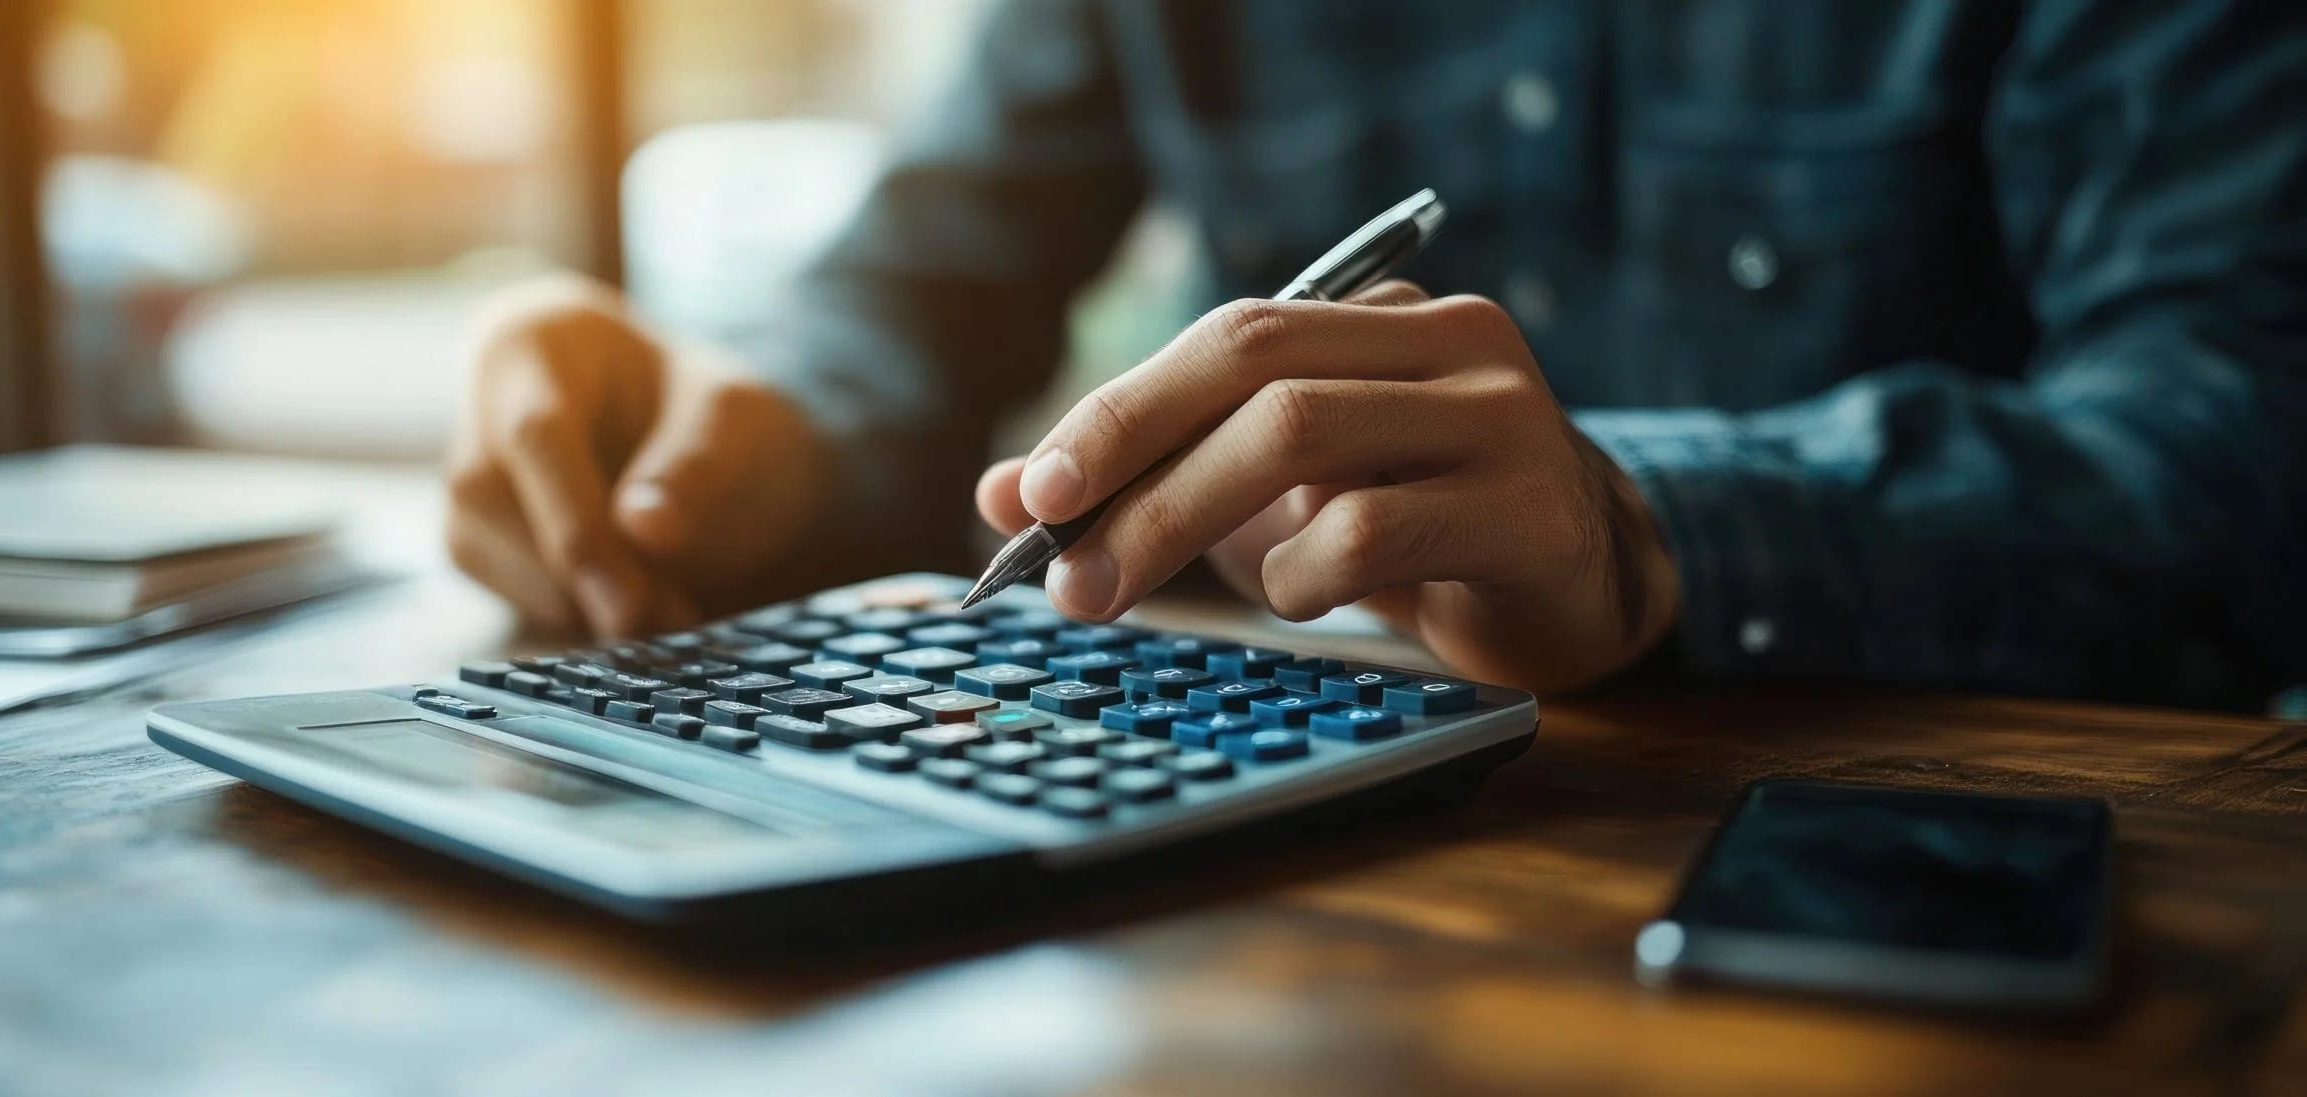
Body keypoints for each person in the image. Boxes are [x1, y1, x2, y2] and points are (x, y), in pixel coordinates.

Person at [445, 0, 2306, 710]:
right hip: (1320, 880)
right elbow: (914, 294)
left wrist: (1650, 526)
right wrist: (750, 425)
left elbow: (2234, 444)